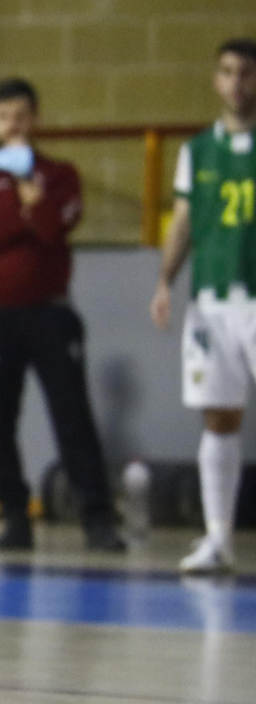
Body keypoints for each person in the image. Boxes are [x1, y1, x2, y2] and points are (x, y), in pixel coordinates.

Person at [0, 78, 125, 552]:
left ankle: (98, 516)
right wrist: (17, 218)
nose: (13, 126)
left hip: (49, 314)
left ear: (35, 119)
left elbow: (56, 229)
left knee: (72, 415)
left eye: (21, 117)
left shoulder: (59, 175)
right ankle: (14, 515)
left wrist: (36, 204)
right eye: (4, 117)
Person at [150, 38, 256, 575]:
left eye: (247, 73)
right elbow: (184, 220)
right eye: (229, 72)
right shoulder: (196, 150)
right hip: (212, 304)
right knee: (218, 418)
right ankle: (218, 539)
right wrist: (165, 280)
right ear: (216, 80)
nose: (238, 83)